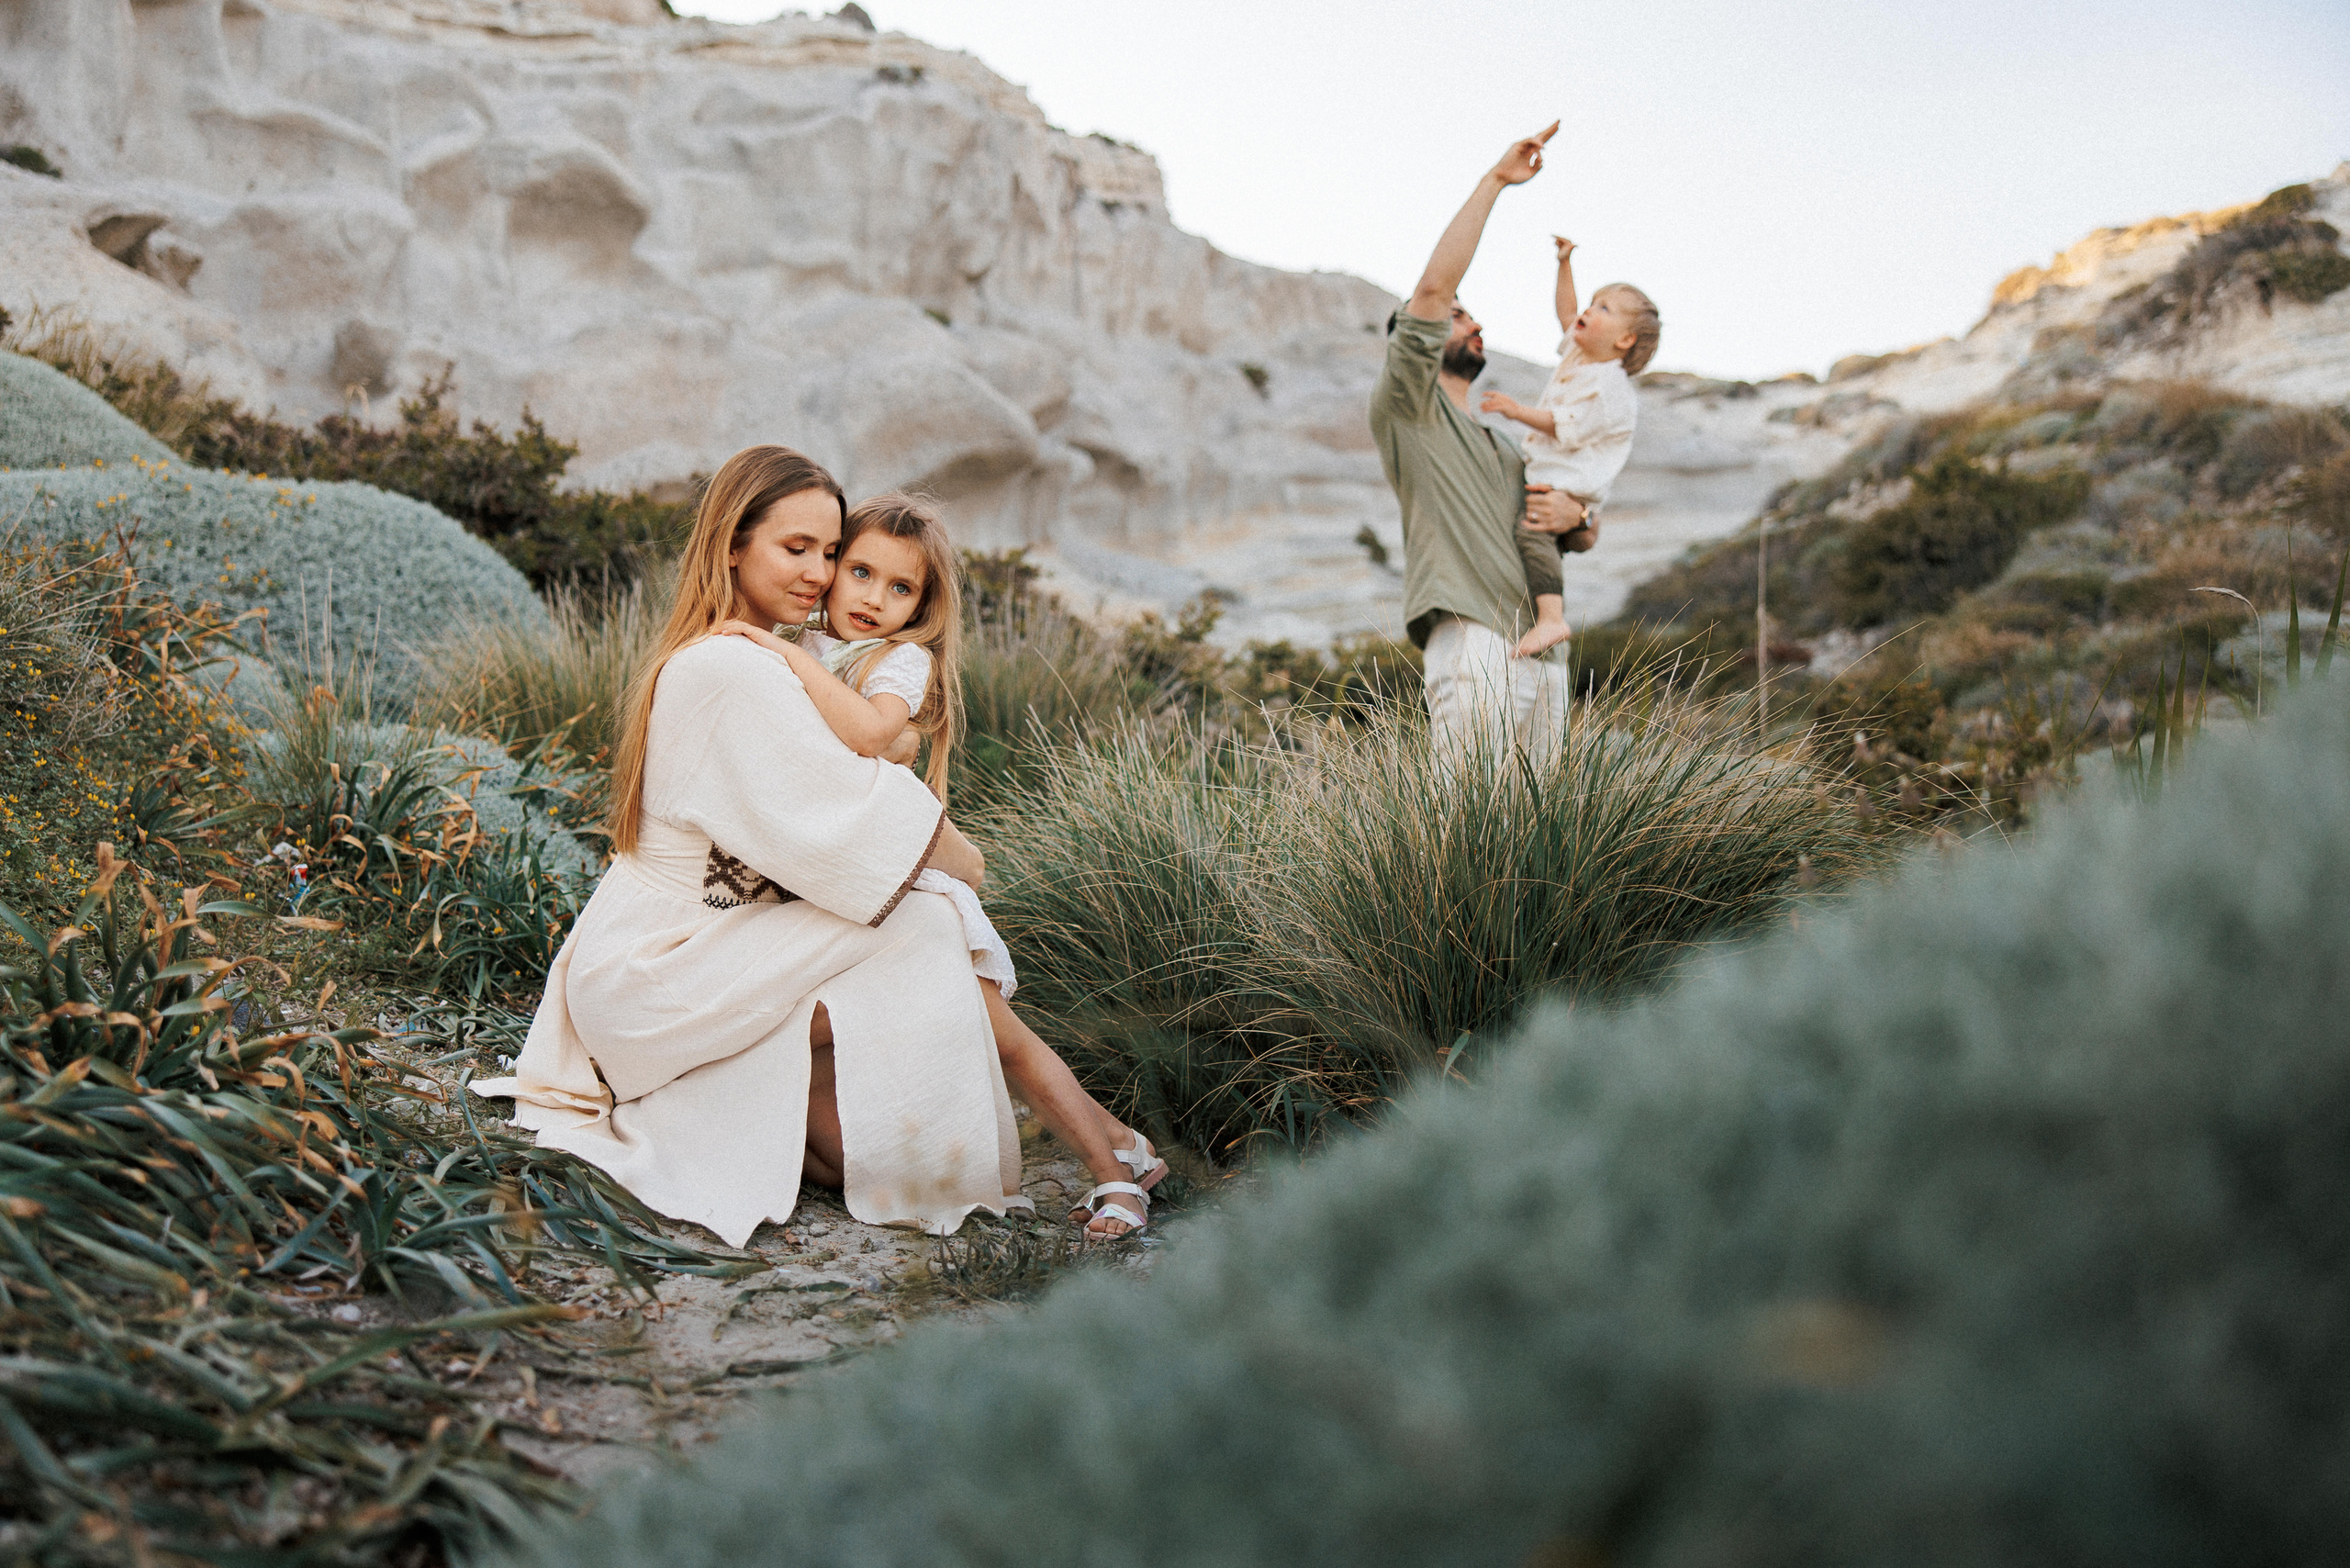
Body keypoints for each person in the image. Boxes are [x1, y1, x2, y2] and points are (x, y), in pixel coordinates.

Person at [473, 446, 1033, 1247]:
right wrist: (949, 839)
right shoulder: (735, 668)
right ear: (733, 544)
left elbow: (840, 783)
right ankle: (1094, 1135)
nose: (820, 574)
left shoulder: (768, 659)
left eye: (831, 553)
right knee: (929, 918)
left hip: (684, 950)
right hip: (656, 973)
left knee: (861, 1130)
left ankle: (1072, 1132)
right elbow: (863, 826)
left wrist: (892, 749)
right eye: (795, 548)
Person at [714, 493, 1161, 1238]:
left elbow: (878, 732)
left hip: (907, 887)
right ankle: (1125, 1143)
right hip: (848, 889)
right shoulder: (810, 643)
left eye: (900, 589)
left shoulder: (899, 658)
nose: (872, 598)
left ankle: (1116, 1179)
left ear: (922, 605)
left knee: (1005, 1039)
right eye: (859, 572)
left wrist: (788, 657)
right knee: (980, 1036)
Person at [1371, 122, 1593, 760]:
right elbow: (1434, 291)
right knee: (1469, 833)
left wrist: (1579, 517)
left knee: (1540, 845)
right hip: (1474, 638)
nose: (1475, 323)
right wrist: (1496, 180)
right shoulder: (1407, 410)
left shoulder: (1504, 445)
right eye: (1459, 317)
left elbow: (1570, 536)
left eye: (1471, 314)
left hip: (1545, 655)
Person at [1478, 238, 1660, 654]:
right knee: (1536, 538)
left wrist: (1514, 410)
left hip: (1570, 484)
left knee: (1533, 535)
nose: (1587, 312)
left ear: (1625, 340)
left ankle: (1552, 620)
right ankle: (1544, 613)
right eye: (1593, 303)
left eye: (1603, 309)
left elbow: (1564, 426)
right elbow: (1566, 312)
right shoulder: (1581, 355)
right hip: (1556, 477)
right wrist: (1564, 264)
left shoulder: (1609, 385)